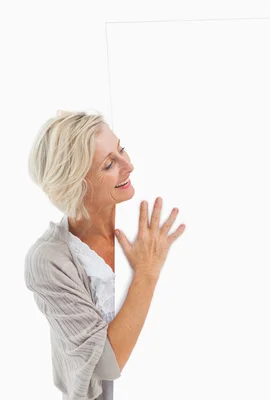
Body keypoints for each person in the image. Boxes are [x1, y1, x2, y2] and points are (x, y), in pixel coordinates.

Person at [25, 111, 186, 400]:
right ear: (75, 185)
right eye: (110, 163)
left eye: (121, 149)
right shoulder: (49, 261)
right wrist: (146, 273)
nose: (130, 165)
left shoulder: (144, 224)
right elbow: (107, 364)